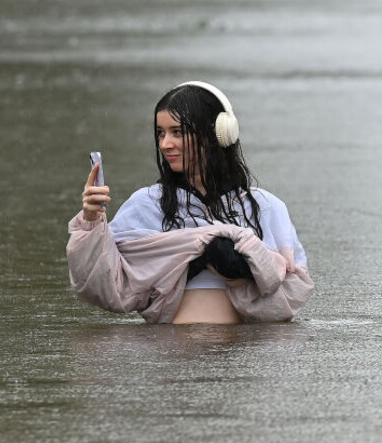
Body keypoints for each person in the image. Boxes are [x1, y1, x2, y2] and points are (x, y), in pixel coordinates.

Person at [67, 81, 313, 324]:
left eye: (177, 132)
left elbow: (293, 295)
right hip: (169, 356)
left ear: (217, 133)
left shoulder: (267, 207)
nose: (165, 144)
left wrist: (238, 269)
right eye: (160, 133)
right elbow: (99, 287)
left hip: (245, 357)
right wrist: (91, 220)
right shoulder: (147, 204)